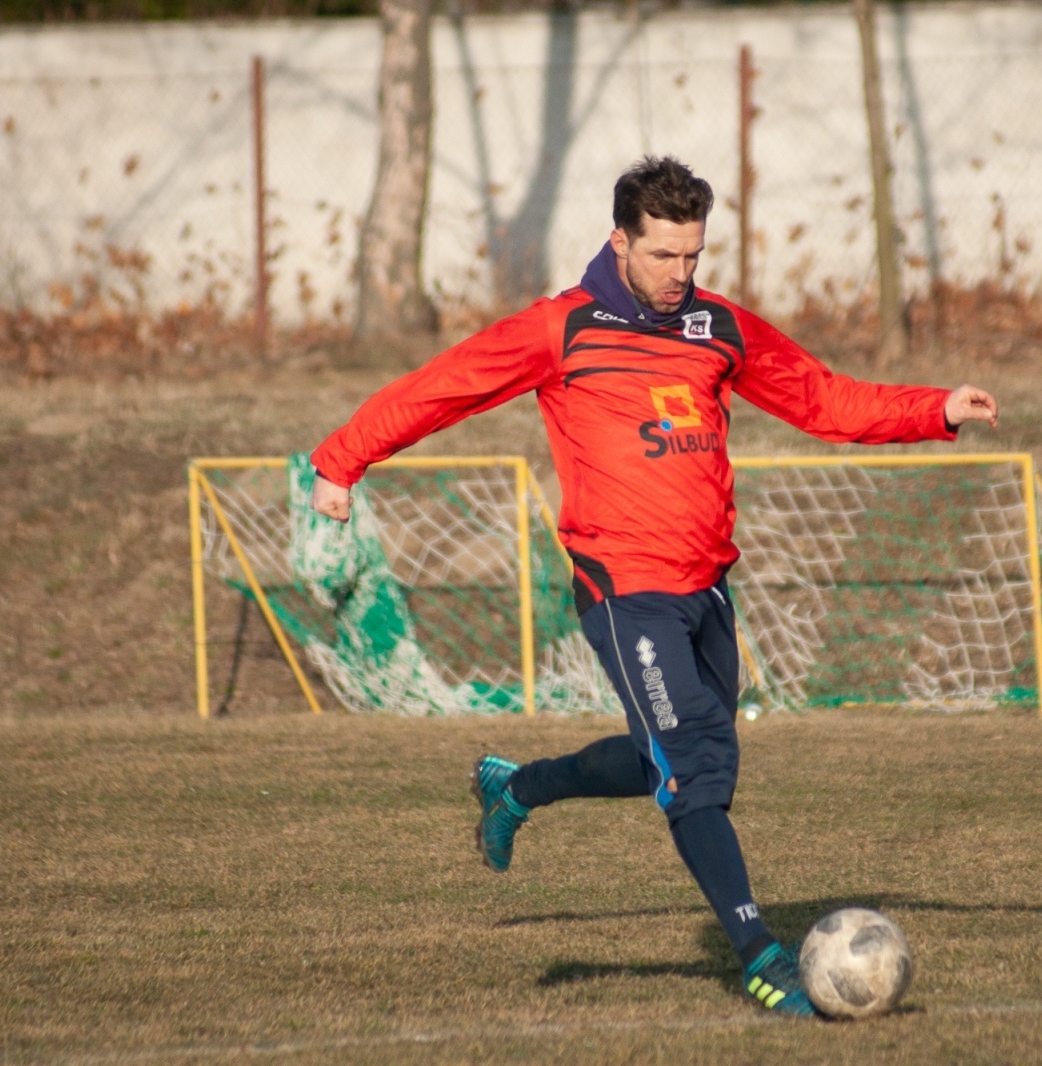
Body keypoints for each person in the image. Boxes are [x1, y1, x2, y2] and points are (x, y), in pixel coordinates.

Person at [308, 156, 998, 1017]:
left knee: (673, 761)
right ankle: (760, 957)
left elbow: (821, 398)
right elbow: (441, 390)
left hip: (705, 587)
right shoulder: (562, 329)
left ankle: (518, 788)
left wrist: (932, 410)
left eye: (694, 257)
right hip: (622, 586)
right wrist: (341, 462)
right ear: (620, 242)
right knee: (697, 771)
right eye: (665, 255)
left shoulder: (718, 327)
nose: (682, 275)